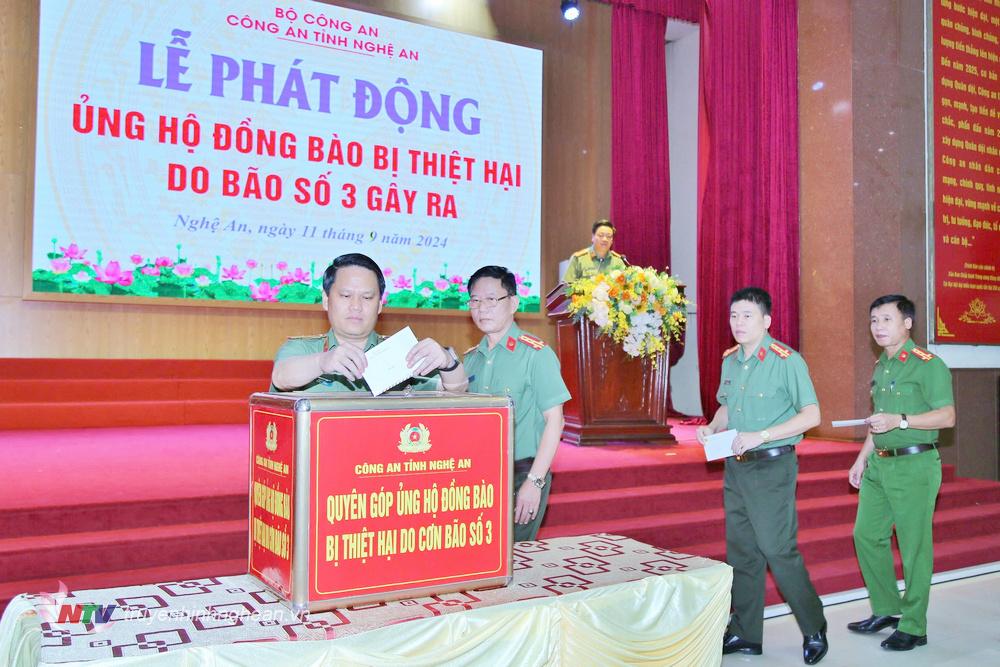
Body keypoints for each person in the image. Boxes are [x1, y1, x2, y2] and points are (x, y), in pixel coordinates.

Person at [696, 287, 828, 665]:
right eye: (734, 315)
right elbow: (726, 407)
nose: (739, 322)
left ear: (766, 320)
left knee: (777, 549)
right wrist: (711, 427)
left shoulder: (786, 360)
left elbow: (811, 415)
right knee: (742, 552)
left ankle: (814, 625)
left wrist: (763, 435)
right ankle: (746, 633)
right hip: (736, 467)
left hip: (772, 465)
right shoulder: (730, 361)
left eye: (747, 315)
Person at [846, 295, 955, 651]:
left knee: (914, 547)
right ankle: (886, 608)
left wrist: (903, 420)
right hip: (880, 462)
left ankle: (914, 625)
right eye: (874, 320)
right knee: (866, 535)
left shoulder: (928, 364)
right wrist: (862, 458)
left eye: (886, 320)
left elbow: (947, 416)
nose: (878, 327)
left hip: (915, 464)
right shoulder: (882, 366)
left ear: (907, 323)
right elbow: (878, 420)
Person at [462, 265, 570, 542]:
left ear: (513, 303)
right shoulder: (471, 359)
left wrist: (535, 482)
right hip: (480, 476)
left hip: (523, 474)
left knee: (518, 560)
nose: (481, 308)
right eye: (475, 300)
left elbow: (555, 420)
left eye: (490, 299)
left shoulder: (536, 354)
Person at [270, 253, 468, 393]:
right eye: (346, 295)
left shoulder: (401, 352)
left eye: (367, 297)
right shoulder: (302, 348)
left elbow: (456, 390)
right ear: (325, 299)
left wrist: (448, 363)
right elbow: (281, 378)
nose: (356, 306)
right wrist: (322, 362)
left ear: (380, 305)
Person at [562, 219, 628, 283]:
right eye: (601, 235)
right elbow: (565, 289)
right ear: (593, 237)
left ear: (612, 240)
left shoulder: (618, 261)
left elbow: (626, 287)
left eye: (609, 236)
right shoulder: (579, 259)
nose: (605, 239)